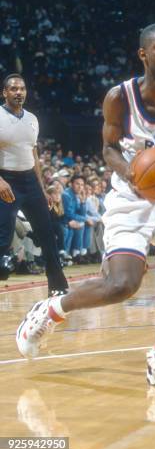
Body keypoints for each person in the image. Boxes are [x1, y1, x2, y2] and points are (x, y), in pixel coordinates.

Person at [16, 23, 155, 391]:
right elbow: (108, 149)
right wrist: (131, 173)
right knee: (121, 285)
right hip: (130, 195)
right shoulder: (118, 97)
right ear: (143, 54)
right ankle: (53, 309)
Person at [0, 74, 68, 294]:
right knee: (3, 236)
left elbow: (34, 152)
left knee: (47, 234)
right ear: (5, 93)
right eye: (13, 89)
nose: (18, 92)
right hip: (5, 180)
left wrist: (41, 187)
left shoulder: (32, 119)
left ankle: (58, 286)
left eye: (22, 88)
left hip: (30, 180)